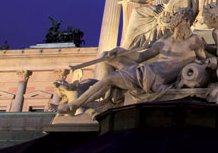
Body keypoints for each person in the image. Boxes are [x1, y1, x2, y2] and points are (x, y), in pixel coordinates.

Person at [57, 9, 208, 115]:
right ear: (178, 22)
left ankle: (74, 105)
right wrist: (121, 50)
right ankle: (110, 99)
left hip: (153, 78)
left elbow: (204, 60)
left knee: (109, 79)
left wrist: (210, 62)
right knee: (107, 58)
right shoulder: (163, 41)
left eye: (188, 21)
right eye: (186, 21)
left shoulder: (195, 40)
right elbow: (141, 57)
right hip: (145, 70)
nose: (189, 24)